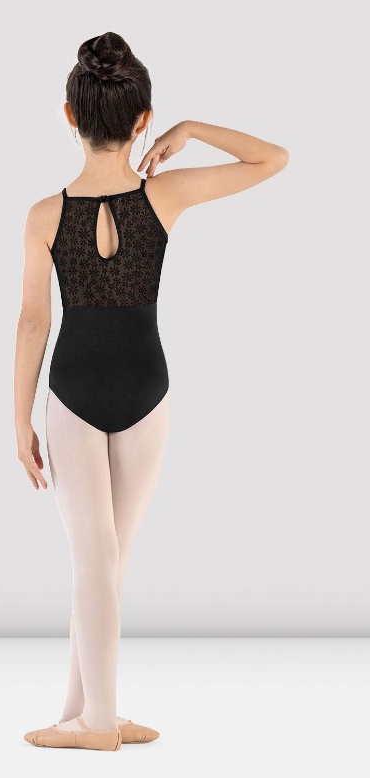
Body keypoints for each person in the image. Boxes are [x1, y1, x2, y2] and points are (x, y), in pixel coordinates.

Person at [15, 31, 288, 752]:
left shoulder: (45, 215)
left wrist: (19, 421)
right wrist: (189, 129)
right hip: (148, 391)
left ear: (68, 116)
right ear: (143, 121)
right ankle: (81, 710)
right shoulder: (164, 195)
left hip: (72, 392)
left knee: (94, 559)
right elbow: (272, 158)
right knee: (106, 561)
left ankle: (97, 723)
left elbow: (33, 321)